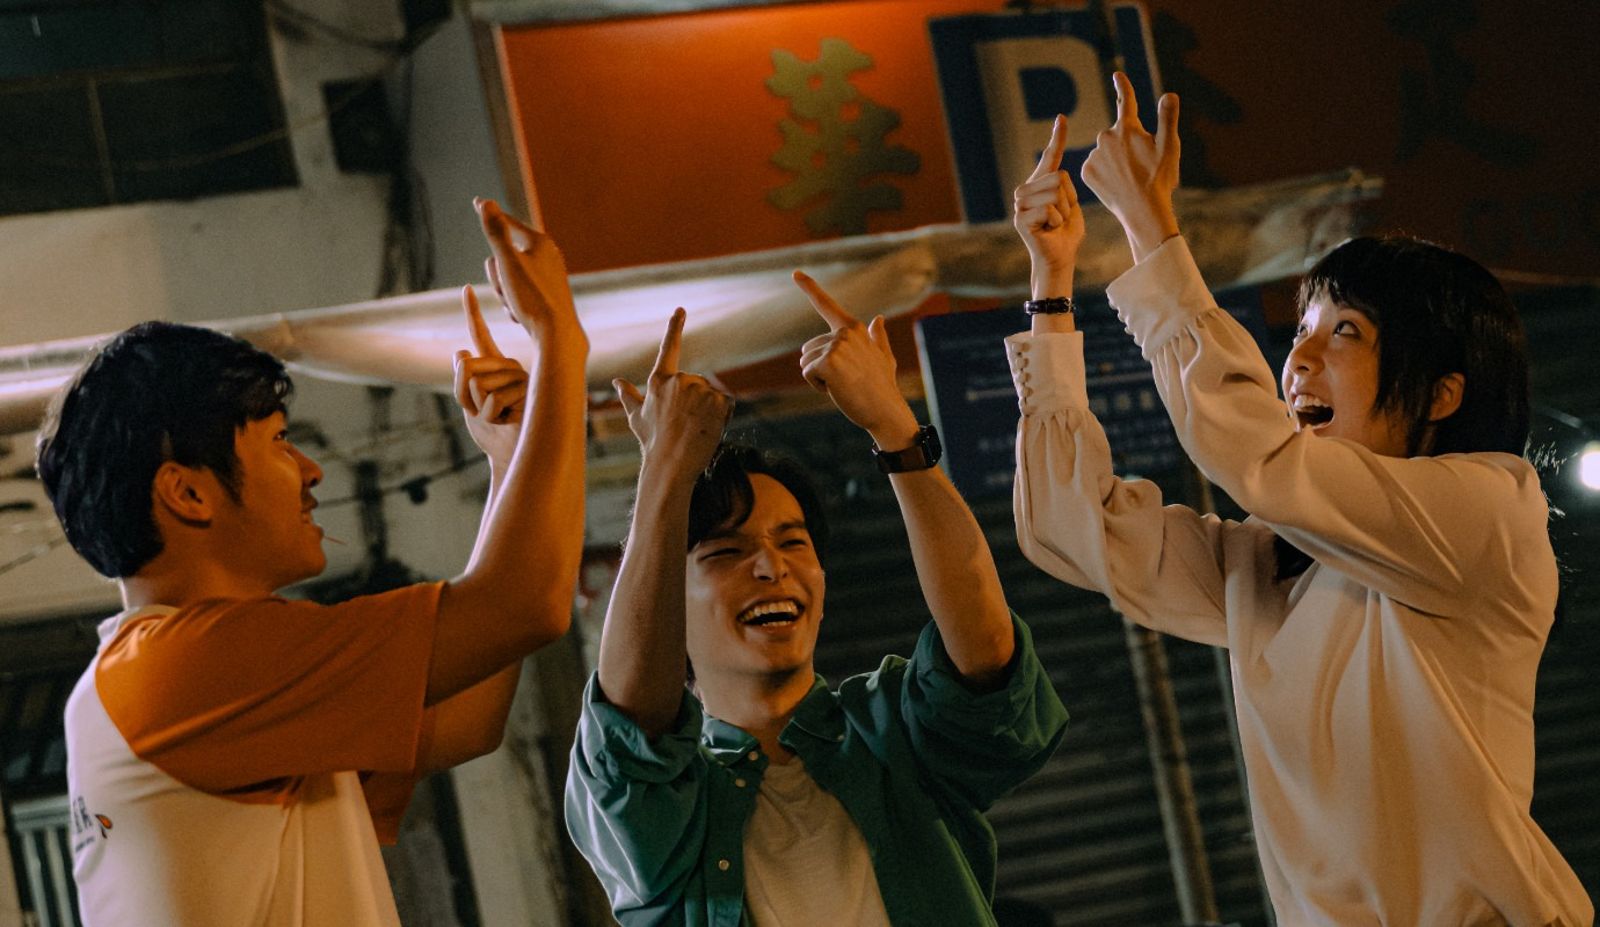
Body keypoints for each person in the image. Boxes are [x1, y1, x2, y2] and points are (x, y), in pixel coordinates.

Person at [1007, 76, 1592, 924]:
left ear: (1443, 393)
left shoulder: (1491, 509)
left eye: (1345, 331)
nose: (1299, 362)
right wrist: (1051, 282)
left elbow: (1257, 455)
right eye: (1302, 330)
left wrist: (1147, 226)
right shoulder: (1272, 565)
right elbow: (1071, 529)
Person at [37, 199, 590, 927]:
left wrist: (512, 461)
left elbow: (466, 714)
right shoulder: (183, 668)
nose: (310, 469)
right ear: (189, 492)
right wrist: (560, 346)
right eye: (277, 441)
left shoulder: (169, 682)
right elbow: (523, 606)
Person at [565, 284, 1069, 926]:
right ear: (670, 609)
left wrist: (894, 426)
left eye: (793, 542)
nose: (771, 567)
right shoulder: (664, 811)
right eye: (726, 552)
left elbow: (989, 657)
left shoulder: (894, 734)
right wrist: (665, 467)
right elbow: (631, 732)